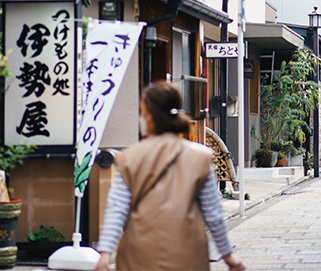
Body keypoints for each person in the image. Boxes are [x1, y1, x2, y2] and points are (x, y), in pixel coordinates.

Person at [94, 82, 245, 271]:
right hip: (188, 253)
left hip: (139, 253)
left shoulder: (129, 158)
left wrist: (105, 254)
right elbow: (213, 213)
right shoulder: (200, 157)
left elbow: (117, 208)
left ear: (148, 115)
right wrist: (228, 255)